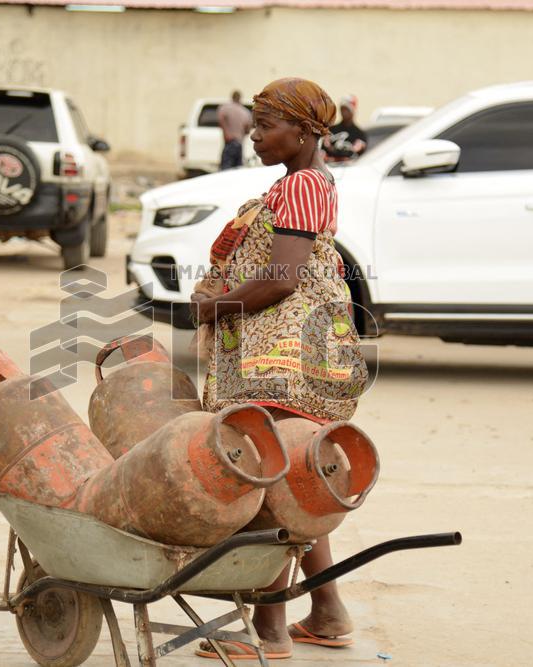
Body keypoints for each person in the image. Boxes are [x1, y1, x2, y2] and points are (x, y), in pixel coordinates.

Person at [191, 77, 369, 660]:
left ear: (305, 131)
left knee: (267, 484)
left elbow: (281, 278)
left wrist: (211, 306)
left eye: (266, 127)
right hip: (298, 351)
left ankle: (266, 631)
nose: (255, 137)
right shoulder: (309, 181)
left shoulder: (299, 188)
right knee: (297, 477)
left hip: (282, 357)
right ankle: (327, 612)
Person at [322, 94, 367, 162]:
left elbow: (358, 149)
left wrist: (350, 150)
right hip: (331, 167)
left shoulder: (359, 134)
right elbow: (325, 147)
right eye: (342, 109)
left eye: (347, 109)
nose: (344, 112)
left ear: (353, 111)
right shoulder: (331, 130)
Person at [217, 91, 252, 170]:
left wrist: (226, 132)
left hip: (229, 142)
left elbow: (221, 119)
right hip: (239, 143)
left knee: (225, 169)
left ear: (232, 97)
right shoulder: (245, 112)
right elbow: (248, 129)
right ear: (240, 98)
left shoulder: (225, 108)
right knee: (237, 170)